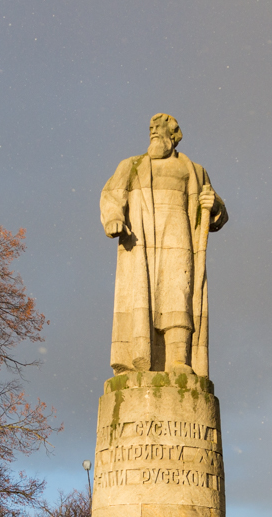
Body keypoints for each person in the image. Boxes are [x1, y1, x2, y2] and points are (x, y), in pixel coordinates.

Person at [100, 114, 228, 376]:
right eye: (151, 129)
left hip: (179, 236)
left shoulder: (194, 170)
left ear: (174, 134)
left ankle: (178, 361)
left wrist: (213, 205)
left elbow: (219, 211)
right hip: (141, 239)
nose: (153, 132)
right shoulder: (132, 165)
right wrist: (113, 217)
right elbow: (112, 194)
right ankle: (137, 362)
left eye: (159, 129)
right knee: (140, 299)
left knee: (178, 294)